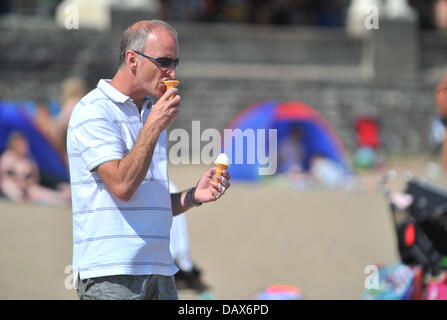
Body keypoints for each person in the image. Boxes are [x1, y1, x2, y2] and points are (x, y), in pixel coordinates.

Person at [67, 19, 230, 300]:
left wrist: (193, 196)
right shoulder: (93, 111)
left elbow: (148, 203)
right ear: (132, 59)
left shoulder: (150, 112)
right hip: (112, 274)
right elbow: (122, 186)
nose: (172, 72)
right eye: (164, 61)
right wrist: (154, 125)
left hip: (161, 271)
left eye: (176, 62)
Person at [0, 131, 71, 205]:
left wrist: (26, 183)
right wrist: (17, 182)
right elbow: (3, 177)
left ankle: (60, 197)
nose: (23, 147)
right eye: (20, 145)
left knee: (35, 190)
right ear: (14, 144)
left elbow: (35, 178)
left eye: (24, 145)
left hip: (27, 188)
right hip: (11, 186)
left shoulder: (29, 161)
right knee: (9, 187)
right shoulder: (7, 157)